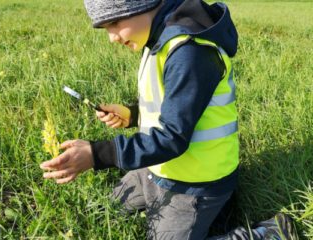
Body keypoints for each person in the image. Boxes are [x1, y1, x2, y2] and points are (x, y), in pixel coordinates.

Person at [40, 0, 295, 239]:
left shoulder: (189, 52)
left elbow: (173, 137)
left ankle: (268, 232)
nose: (112, 37)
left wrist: (97, 154)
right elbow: (174, 106)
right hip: (161, 167)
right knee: (108, 207)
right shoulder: (158, 36)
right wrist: (133, 115)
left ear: (143, 4)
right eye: (105, 28)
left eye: (115, 23)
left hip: (196, 183)